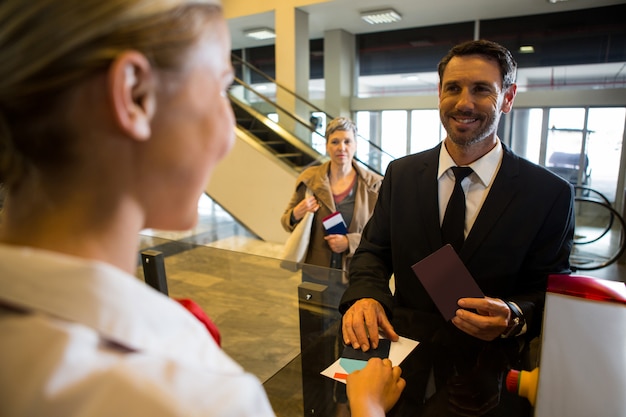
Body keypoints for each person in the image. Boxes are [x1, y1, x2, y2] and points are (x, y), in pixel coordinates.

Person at [0, 1, 401, 416]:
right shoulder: (193, 394)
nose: (227, 136)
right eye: (219, 89)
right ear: (134, 94)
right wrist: (367, 409)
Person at [339, 39, 575, 417]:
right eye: (453, 88)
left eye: (482, 89)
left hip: (488, 379)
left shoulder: (548, 194)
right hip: (402, 368)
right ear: (439, 93)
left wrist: (513, 316)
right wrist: (366, 296)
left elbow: (551, 291)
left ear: (508, 98)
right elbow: (373, 252)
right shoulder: (401, 174)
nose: (464, 102)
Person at [281, 116, 383, 285]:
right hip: (315, 273)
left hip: (355, 274)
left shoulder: (374, 185)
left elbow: (381, 235)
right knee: (312, 312)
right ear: (327, 146)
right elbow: (285, 222)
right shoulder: (309, 180)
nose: (341, 148)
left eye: (347, 141)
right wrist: (296, 213)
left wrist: (349, 242)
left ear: (355, 145)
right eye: (335, 142)